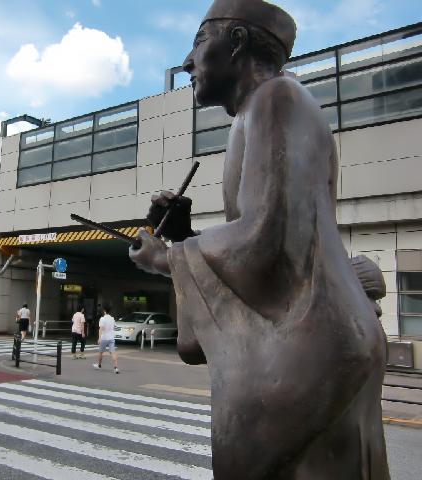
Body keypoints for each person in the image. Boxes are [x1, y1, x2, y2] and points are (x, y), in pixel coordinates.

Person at [129, 1, 389, 478]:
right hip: (321, 342)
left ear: (236, 41)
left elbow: (269, 240)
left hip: (308, 349)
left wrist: (167, 258)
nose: (187, 62)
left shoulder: (277, 98)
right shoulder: (258, 111)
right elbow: (267, 248)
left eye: (199, 42)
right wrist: (184, 235)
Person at [92, 304, 119, 374]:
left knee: (100, 352)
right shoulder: (112, 318)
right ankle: (116, 368)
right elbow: (114, 327)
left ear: (104, 310)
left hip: (104, 338)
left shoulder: (102, 319)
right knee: (113, 352)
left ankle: (99, 365)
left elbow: (101, 329)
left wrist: (99, 338)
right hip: (111, 337)